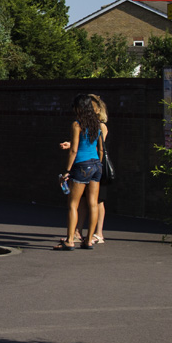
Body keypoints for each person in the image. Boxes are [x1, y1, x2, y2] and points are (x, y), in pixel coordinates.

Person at [54, 93, 108, 251]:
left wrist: (66, 171)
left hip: (81, 166)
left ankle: (70, 240)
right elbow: (101, 149)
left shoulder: (77, 125)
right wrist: (99, 163)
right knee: (93, 204)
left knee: (73, 204)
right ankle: (89, 240)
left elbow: (74, 149)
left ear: (79, 108)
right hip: (96, 165)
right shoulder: (98, 124)